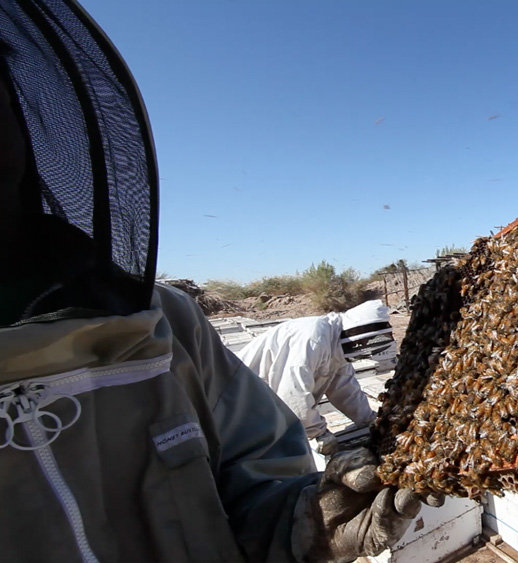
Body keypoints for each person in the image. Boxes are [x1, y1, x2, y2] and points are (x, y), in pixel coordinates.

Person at [0, 0, 434, 561]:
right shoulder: (308, 339)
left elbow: (263, 477)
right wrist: (328, 441)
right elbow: (300, 399)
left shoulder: (170, 322)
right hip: (279, 393)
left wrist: (308, 517)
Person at [237, 300, 393, 462]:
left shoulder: (335, 344)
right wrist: (317, 433)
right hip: (243, 399)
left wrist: (368, 418)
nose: (365, 350)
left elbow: (344, 389)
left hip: (267, 404)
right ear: (358, 329)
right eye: (366, 343)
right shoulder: (313, 337)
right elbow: (293, 391)